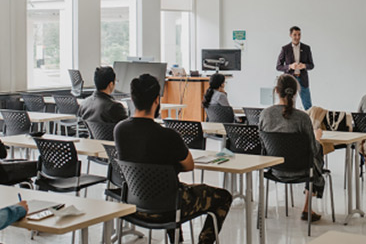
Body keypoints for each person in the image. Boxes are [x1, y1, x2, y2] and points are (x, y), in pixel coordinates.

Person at [115, 74, 232, 244]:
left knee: (167, 189)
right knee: (224, 197)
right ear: (157, 100)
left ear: (132, 99)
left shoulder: (120, 130)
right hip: (169, 208)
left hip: (135, 206)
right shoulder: (168, 135)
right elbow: (189, 165)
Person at [259, 74, 324, 222]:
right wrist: (317, 139)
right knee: (318, 152)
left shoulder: (265, 114)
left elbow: (263, 146)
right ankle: (307, 207)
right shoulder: (302, 118)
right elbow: (313, 150)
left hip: (274, 169)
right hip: (302, 171)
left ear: (276, 91)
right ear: (296, 93)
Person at [276, 26, 314, 110]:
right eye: (295, 35)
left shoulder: (306, 48)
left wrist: (304, 66)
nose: (297, 37)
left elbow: (311, 65)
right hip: (290, 80)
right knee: (289, 105)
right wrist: (290, 66)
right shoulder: (285, 49)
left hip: (302, 79)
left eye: (299, 34)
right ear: (290, 35)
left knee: (308, 106)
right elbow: (278, 66)